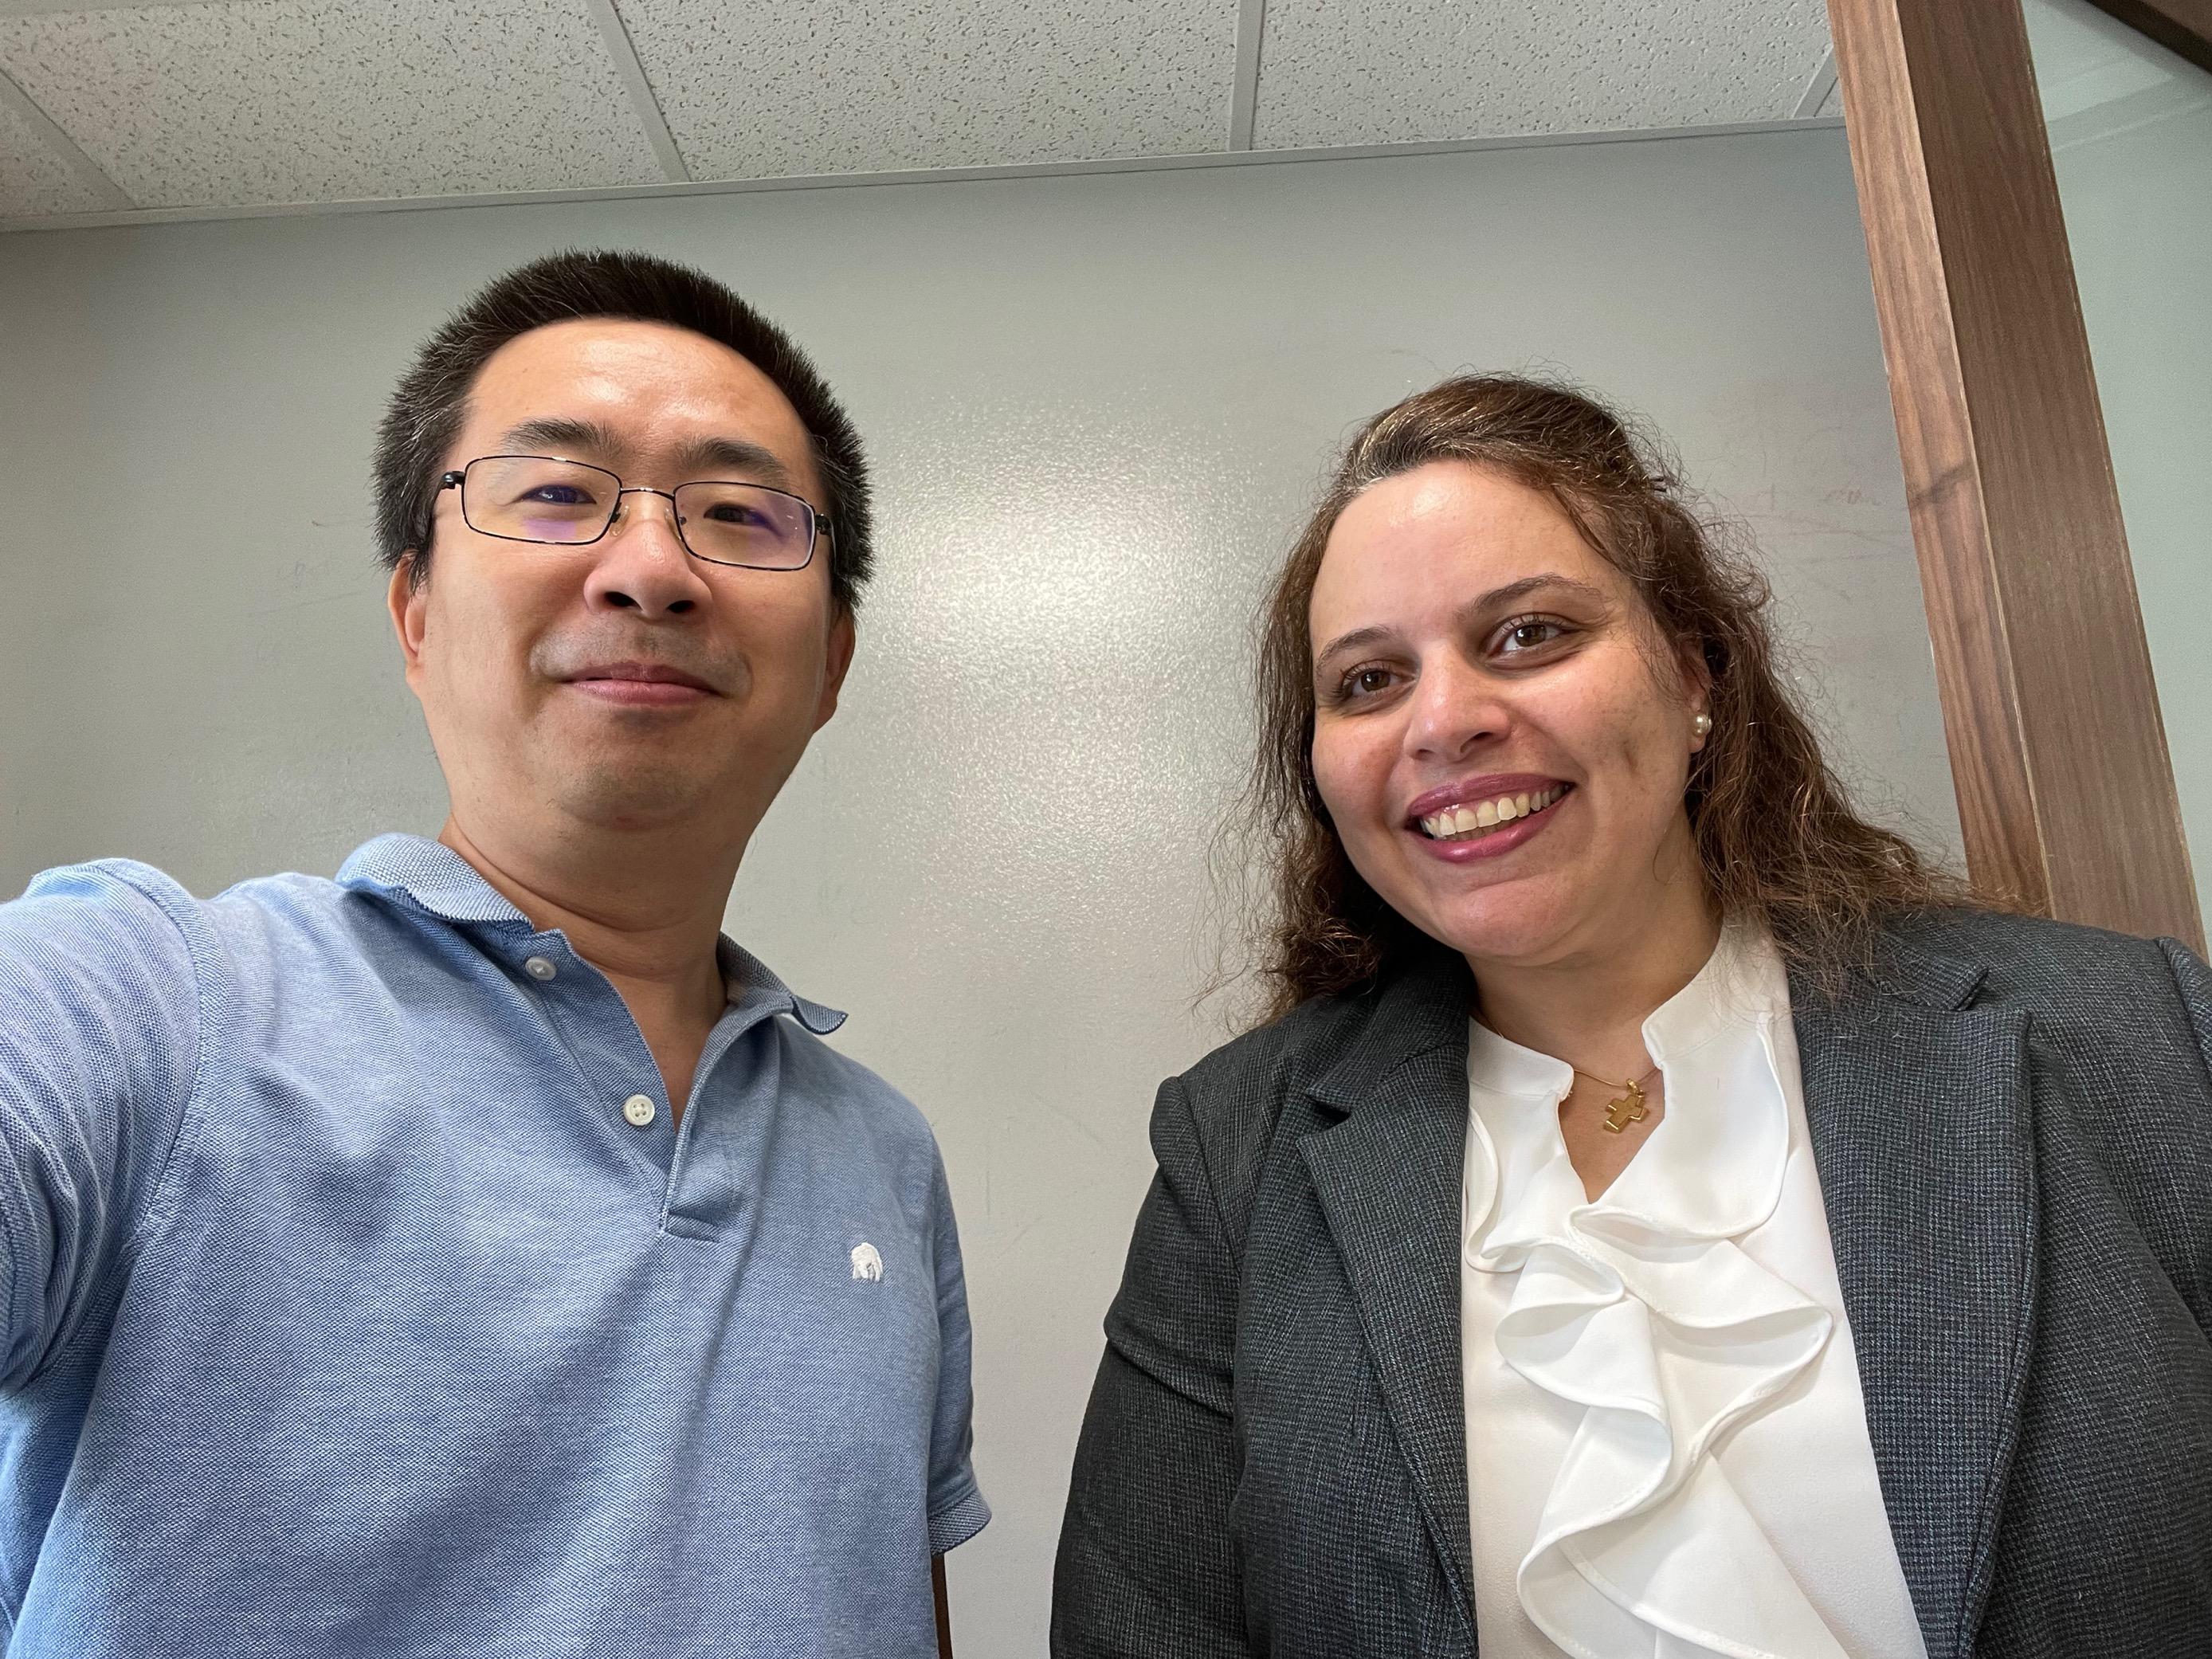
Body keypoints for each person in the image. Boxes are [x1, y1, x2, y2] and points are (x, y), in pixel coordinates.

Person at [1052, 375, 2212, 1657]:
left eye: (1527, 634)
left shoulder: (2136, 1033)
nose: (1445, 720)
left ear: (1693, 671)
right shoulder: (1234, 1153)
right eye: (1370, 679)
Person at [0, 250, 986, 1657]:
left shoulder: (884, 1155)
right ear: (415, 611)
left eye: (738, 513)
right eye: (557, 494)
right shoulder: (157, 1001)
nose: (651, 569)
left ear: (831, 662)